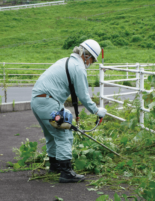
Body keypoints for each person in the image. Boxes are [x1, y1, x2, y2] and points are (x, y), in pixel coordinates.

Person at [31, 39, 107, 183]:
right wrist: (97, 111)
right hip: (48, 101)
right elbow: (83, 96)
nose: (91, 63)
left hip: (37, 100)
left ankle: (55, 165)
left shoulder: (66, 61)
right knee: (63, 134)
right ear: (86, 55)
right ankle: (66, 172)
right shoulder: (78, 68)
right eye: (92, 59)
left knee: (51, 134)